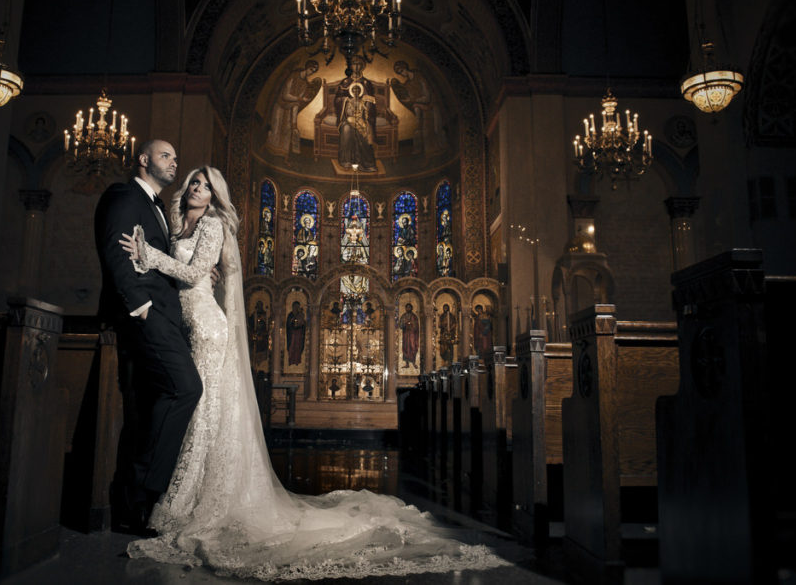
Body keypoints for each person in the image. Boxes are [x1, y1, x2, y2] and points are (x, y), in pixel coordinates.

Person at [119, 166, 509, 579]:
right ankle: (187, 495)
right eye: (193, 183)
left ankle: (194, 501)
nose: (196, 188)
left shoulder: (213, 224)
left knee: (205, 411)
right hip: (187, 324)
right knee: (201, 411)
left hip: (205, 328)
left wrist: (148, 256)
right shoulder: (181, 223)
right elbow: (200, 271)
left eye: (205, 185)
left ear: (216, 196)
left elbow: (196, 272)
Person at [93, 139, 203, 536]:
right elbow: (115, 251)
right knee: (186, 388)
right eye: (165, 156)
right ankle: (144, 495)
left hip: (163, 319)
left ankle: (129, 505)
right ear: (144, 161)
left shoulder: (157, 208)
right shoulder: (124, 196)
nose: (175, 162)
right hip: (145, 318)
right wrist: (140, 308)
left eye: (176, 156)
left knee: (143, 411)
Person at [334, 77, 377, 171]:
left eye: (358, 90)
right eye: (354, 90)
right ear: (352, 91)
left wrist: (365, 113)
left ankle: (367, 164)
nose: (356, 92)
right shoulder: (348, 100)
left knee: (365, 132)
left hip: (360, 120)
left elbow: (367, 111)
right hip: (349, 120)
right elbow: (347, 111)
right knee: (346, 129)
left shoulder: (363, 100)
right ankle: (346, 160)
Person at [285, 300, 306, 368]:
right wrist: (294, 318)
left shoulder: (301, 314)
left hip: (299, 333)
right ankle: (291, 360)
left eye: (298, 306)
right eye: (295, 306)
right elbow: (288, 324)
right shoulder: (290, 315)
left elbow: (303, 324)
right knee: (292, 346)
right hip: (292, 334)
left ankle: (297, 360)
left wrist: (302, 323)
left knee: (298, 347)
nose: (296, 308)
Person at [400, 302, 420, 369]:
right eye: (407, 307)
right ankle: (407, 364)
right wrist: (405, 323)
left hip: (412, 335)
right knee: (406, 348)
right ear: (405, 308)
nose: (408, 308)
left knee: (412, 347)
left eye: (409, 307)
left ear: (411, 308)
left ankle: (414, 362)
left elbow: (416, 326)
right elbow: (400, 325)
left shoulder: (414, 316)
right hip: (406, 334)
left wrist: (411, 324)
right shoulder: (403, 316)